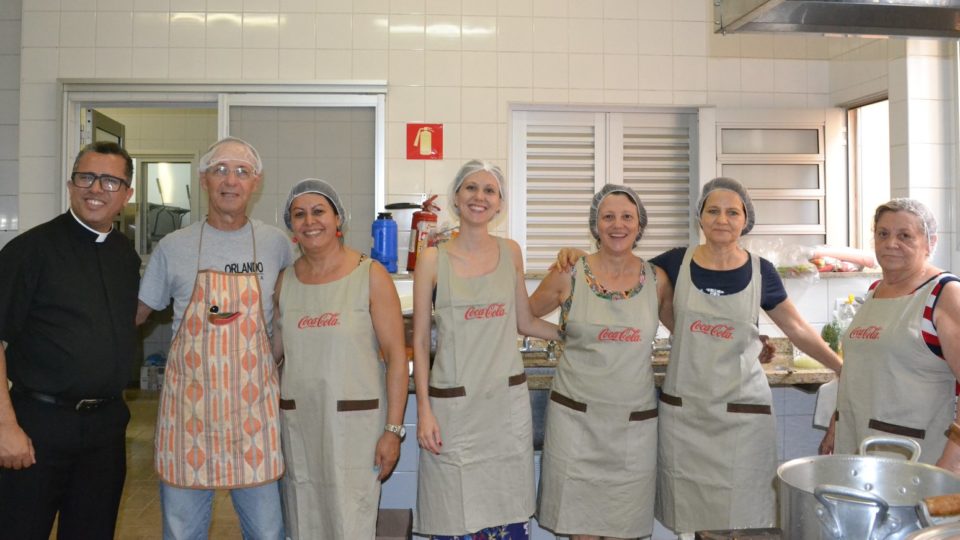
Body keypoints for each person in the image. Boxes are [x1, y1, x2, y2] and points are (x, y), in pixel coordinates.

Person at [136, 137, 294, 539]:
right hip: (189, 419)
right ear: (204, 179)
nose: (230, 180)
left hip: (254, 417)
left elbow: (296, 311)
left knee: (268, 533)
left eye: (241, 171)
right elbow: (133, 317)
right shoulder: (173, 247)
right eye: (220, 169)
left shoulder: (278, 244)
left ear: (255, 182)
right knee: (182, 533)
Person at [412, 160, 561, 539]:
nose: (480, 197)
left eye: (489, 191)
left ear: (499, 204)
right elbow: (418, 340)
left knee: (506, 508)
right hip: (453, 410)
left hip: (503, 409)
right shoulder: (432, 259)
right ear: (456, 199)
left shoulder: (510, 252)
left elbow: (524, 321)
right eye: (471, 188)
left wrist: (577, 335)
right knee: (452, 510)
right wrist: (425, 410)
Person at [0, 141, 140, 539]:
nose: (96, 189)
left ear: (127, 195)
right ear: (71, 184)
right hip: (38, 426)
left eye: (110, 181)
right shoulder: (29, 251)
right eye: (87, 177)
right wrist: (4, 425)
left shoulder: (124, 257)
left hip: (105, 430)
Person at [529, 185, 673, 540]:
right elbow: (523, 316)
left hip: (631, 428)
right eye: (608, 216)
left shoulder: (657, 280)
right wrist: (565, 334)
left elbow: (684, 330)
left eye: (627, 217)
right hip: (576, 423)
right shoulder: (570, 273)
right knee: (581, 531)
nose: (617, 225)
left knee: (624, 528)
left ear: (640, 226)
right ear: (595, 225)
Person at [272, 178, 408, 538]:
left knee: (350, 523)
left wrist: (393, 431)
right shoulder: (285, 281)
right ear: (292, 229)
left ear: (338, 221)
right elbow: (271, 356)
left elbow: (396, 357)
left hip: (356, 431)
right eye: (299, 215)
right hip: (300, 429)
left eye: (319, 211)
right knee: (304, 521)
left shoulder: (370, 274)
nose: (309, 220)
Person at [821, 199, 960, 472]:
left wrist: (950, 464)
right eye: (883, 234)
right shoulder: (874, 290)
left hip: (916, 456)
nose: (891, 243)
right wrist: (836, 423)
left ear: (930, 242)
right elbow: (863, 371)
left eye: (905, 236)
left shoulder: (944, 294)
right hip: (858, 445)